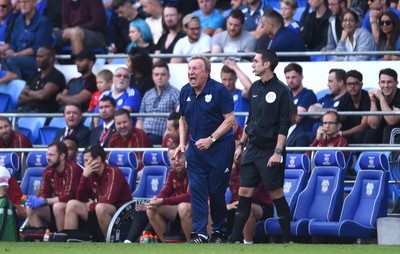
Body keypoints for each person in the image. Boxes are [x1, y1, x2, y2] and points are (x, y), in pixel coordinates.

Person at [229, 49, 292, 244]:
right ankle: (232, 241)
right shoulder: (255, 88)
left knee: (276, 193)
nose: (252, 64)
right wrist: (241, 145)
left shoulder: (282, 91)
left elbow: (284, 125)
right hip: (252, 149)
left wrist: (278, 152)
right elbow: (251, 120)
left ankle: (286, 241)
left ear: (267, 64)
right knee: (244, 193)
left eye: (255, 61)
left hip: (270, 150)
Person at [175, 55, 235, 243]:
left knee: (217, 192)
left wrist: (211, 139)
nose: (191, 72)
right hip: (195, 149)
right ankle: (200, 233)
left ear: (206, 73)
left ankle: (218, 231)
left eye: (195, 69)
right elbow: (182, 119)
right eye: (189, 68)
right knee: (197, 190)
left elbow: (230, 120)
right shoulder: (185, 91)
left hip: (220, 148)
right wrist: (182, 143)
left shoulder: (219, 91)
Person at [63, 144, 132, 240]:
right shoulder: (90, 174)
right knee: (72, 204)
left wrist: (92, 206)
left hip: (122, 214)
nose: (84, 164)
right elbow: (80, 198)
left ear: (98, 159)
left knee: (101, 208)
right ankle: (69, 241)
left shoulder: (114, 172)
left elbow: (109, 199)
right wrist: (84, 176)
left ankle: (110, 244)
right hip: (98, 209)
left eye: (87, 160)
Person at [26, 141, 82, 232]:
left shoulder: (72, 169)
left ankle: (61, 240)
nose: (48, 158)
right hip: (56, 207)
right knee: (30, 208)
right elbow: (45, 193)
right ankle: (40, 241)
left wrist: (44, 201)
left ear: (62, 156)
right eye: (47, 155)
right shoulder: (48, 170)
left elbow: (69, 196)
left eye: (51, 155)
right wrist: (38, 199)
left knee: (58, 206)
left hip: (75, 210)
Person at [0, 0, 52, 84]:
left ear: (34, 3)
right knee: (3, 58)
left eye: (26, 1)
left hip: (36, 59)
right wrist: (9, 52)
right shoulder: (18, 20)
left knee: (11, 60)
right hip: (16, 56)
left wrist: (16, 54)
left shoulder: (43, 22)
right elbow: (13, 43)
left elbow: (37, 48)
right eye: (21, 2)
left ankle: (19, 86)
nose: (23, 5)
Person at [146, 145, 191, 242]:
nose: (177, 161)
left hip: (198, 208)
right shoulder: (172, 172)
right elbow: (165, 192)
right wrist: (155, 200)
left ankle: (190, 243)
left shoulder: (193, 170)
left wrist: (162, 201)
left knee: (183, 207)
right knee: (151, 208)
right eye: (173, 158)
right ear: (169, 161)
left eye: (180, 157)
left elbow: (190, 197)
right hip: (179, 209)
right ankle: (166, 244)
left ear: (187, 157)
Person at [136, 61, 180, 145]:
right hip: (144, 135)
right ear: (152, 77)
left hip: (162, 134)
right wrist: (138, 135)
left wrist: (168, 133)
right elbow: (140, 119)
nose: (159, 77)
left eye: (163, 74)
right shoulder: (148, 94)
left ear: (168, 76)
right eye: (156, 74)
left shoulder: (175, 93)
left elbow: (179, 115)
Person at [17, 45, 66, 113]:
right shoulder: (34, 75)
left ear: (50, 58)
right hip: (27, 110)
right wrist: (36, 97)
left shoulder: (57, 76)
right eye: (37, 56)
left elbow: (42, 95)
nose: (37, 59)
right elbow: (20, 99)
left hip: (43, 113)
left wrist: (28, 92)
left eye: (41, 56)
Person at [364, 68, 400, 144]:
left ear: (396, 83)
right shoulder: (376, 96)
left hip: (396, 130)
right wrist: (373, 102)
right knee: (371, 132)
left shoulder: (398, 95)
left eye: (389, 82)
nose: (385, 85)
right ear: (379, 84)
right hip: (387, 131)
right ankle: (367, 155)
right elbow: (373, 125)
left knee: (390, 129)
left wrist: (381, 98)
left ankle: (387, 155)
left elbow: (392, 121)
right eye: (383, 82)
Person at [337, 70, 371, 144]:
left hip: (364, 133)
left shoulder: (368, 98)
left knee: (358, 136)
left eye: (355, 83)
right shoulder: (344, 99)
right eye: (349, 84)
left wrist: (341, 133)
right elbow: (338, 118)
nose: (352, 86)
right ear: (346, 86)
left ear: (361, 85)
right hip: (349, 130)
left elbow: (364, 126)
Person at [284, 63, 317, 133]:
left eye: (293, 77)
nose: (290, 80)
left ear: (301, 77)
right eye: (287, 78)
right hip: (287, 135)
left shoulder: (308, 94)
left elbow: (296, 118)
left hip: (303, 135)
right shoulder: (285, 94)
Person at [220, 60, 251, 128]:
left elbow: (249, 88)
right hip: (223, 135)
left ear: (236, 78)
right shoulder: (218, 97)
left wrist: (235, 68)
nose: (227, 83)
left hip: (241, 135)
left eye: (230, 79)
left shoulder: (242, 95)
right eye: (224, 80)